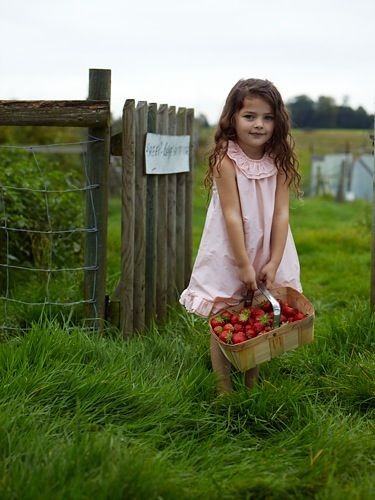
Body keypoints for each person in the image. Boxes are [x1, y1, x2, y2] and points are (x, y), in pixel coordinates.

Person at [180, 78, 303, 394]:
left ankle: (252, 382)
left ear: (278, 120)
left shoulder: (280, 157)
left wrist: (273, 260)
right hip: (231, 246)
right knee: (225, 314)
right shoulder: (226, 158)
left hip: (267, 244)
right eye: (250, 116)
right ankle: (224, 389)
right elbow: (232, 216)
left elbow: (281, 214)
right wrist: (244, 264)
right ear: (232, 118)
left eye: (267, 117)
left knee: (260, 310)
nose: (259, 125)